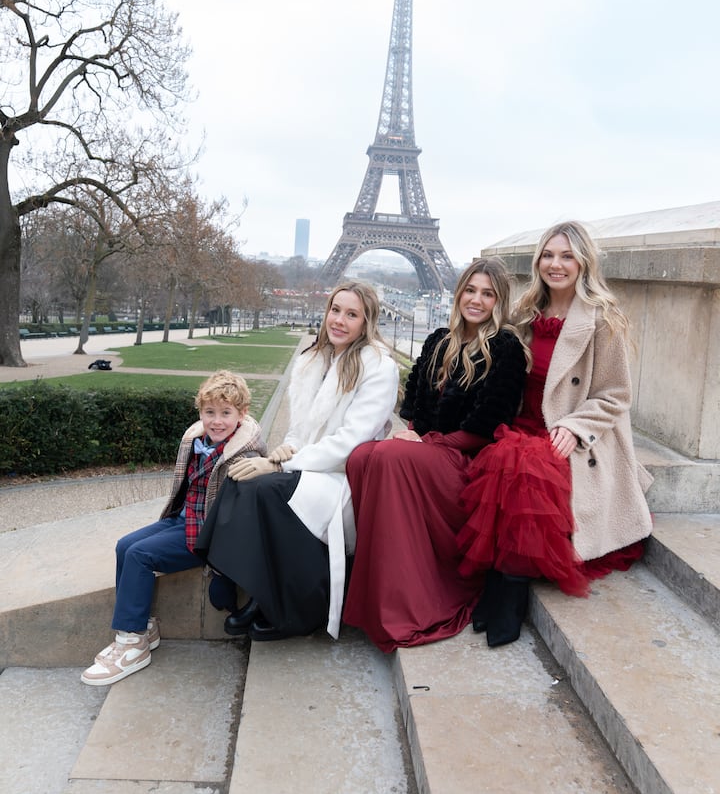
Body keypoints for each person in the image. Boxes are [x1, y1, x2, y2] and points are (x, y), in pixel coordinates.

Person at [457, 221, 653, 648]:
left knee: (526, 468)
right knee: (506, 459)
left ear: (583, 261)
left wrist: (575, 426)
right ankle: (499, 580)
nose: (555, 264)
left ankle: (508, 588)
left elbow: (616, 395)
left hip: (572, 435)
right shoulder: (524, 315)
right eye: (548, 255)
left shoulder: (602, 320)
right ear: (537, 261)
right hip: (523, 425)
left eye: (566, 256)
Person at [194, 281, 399, 641]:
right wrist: (285, 450)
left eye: (351, 314)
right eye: (335, 310)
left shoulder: (379, 366)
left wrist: (280, 465)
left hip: (343, 479)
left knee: (266, 490)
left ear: (367, 322)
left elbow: (351, 442)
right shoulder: (313, 361)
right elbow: (299, 430)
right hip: (310, 467)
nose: (339, 320)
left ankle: (292, 611)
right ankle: (247, 587)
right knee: (240, 479)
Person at [342, 259, 529, 652]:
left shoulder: (505, 348)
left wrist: (426, 444)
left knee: (389, 457)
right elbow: (413, 408)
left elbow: (487, 425)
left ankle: (408, 602)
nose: (476, 300)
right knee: (361, 458)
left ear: (499, 301)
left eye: (487, 294)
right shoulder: (438, 341)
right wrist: (413, 434)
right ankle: (377, 591)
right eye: (470, 290)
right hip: (428, 452)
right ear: (458, 293)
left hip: (464, 460)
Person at [81, 370, 266, 685]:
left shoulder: (244, 455)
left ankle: (132, 644)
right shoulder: (196, 441)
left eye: (226, 413)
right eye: (209, 412)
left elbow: (242, 520)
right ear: (200, 412)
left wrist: (223, 573)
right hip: (184, 519)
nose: (216, 421)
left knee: (140, 555)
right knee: (125, 545)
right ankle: (143, 626)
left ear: (242, 414)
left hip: (208, 535)